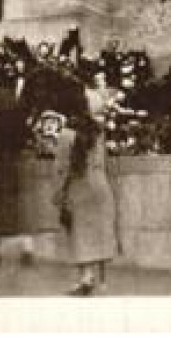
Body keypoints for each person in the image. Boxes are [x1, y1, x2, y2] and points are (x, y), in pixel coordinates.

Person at [52, 90, 119, 296]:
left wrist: (58, 193)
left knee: (81, 233)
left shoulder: (66, 135)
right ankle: (103, 282)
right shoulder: (98, 131)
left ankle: (85, 277)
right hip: (100, 185)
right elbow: (104, 161)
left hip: (79, 187)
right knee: (101, 232)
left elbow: (62, 168)